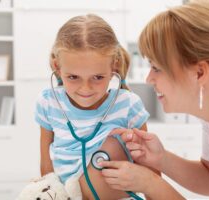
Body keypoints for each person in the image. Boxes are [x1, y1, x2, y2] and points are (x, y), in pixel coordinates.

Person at [99, 0, 209, 199]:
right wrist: (160, 159)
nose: (149, 79)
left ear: (199, 73)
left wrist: (151, 184)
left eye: (157, 68)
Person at [34, 14, 150, 200]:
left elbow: (149, 167)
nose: (85, 89)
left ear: (114, 66)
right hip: (68, 195)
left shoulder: (128, 104)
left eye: (97, 77)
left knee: (112, 145)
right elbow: (46, 165)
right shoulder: (48, 102)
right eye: (73, 77)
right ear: (57, 67)